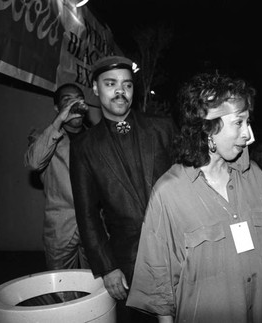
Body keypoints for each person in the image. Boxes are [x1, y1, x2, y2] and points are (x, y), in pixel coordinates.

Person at [126, 72, 262, 323]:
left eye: (248, 122)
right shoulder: (169, 193)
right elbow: (159, 290)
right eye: (239, 123)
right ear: (208, 128)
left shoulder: (254, 176)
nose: (249, 135)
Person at [69, 55, 176, 322]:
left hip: (177, 251)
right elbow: (87, 214)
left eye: (127, 85)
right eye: (110, 83)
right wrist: (107, 267)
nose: (120, 91)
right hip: (128, 263)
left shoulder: (163, 129)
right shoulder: (84, 146)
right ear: (95, 88)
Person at [24, 83, 90, 271]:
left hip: (94, 229)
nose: (74, 103)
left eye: (78, 98)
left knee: (98, 290)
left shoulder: (96, 137)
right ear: (57, 108)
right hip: (61, 230)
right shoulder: (46, 137)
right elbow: (34, 163)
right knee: (63, 291)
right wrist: (58, 122)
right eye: (67, 100)